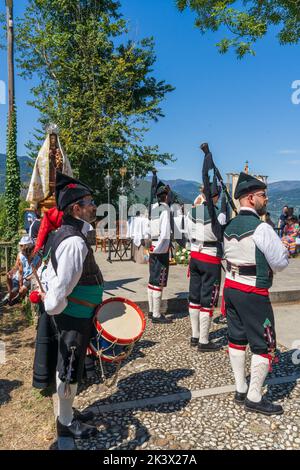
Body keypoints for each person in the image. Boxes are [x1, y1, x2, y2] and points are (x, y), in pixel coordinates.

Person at [39, 172, 104, 440]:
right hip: (73, 316)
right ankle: (65, 422)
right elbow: (56, 294)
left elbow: (45, 271)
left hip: (76, 313)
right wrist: (62, 308)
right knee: (69, 367)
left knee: (69, 365)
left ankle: (67, 411)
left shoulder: (64, 233)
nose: (93, 206)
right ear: (76, 208)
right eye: (89, 202)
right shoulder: (74, 243)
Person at [223, 172, 289, 415]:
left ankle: (241, 388)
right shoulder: (262, 228)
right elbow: (281, 262)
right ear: (250, 198)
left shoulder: (228, 226)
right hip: (253, 292)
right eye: (263, 195)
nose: (266, 200)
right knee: (264, 344)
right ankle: (253, 396)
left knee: (237, 339)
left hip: (231, 289)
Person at [186, 183, 226, 352]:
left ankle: (195, 336)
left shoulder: (191, 212)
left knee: (194, 297)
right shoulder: (219, 214)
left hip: (195, 255)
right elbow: (222, 237)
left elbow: (188, 234)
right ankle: (203, 340)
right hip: (210, 258)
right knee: (207, 299)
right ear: (216, 196)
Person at [147, 182, 173, 324]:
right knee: (159, 281)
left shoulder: (154, 209)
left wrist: (151, 247)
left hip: (153, 246)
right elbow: (165, 233)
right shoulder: (165, 209)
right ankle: (156, 314)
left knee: (152, 279)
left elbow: (147, 228)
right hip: (160, 249)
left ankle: (152, 310)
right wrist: (160, 250)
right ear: (166, 196)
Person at [0, 236, 40, 306]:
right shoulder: (20, 255)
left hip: (28, 277)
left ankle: (15, 297)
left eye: (22, 245)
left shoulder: (37, 257)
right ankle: (10, 295)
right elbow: (17, 268)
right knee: (9, 276)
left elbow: (35, 272)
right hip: (21, 276)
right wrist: (12, 271)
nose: (21, 247)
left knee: (22, 289)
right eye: (20, 245)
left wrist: (22, 284)